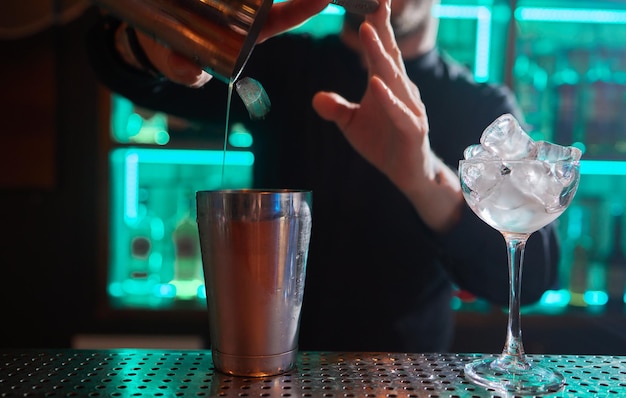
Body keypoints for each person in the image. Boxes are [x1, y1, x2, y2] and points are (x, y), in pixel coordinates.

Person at [88, 0, 560, 352]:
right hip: (266, 370)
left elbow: (533, 272)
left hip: (408, 377)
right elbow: (120, 67)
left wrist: (421, 176)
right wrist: (151, 39)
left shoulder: (480, 108)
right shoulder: (281, 64)